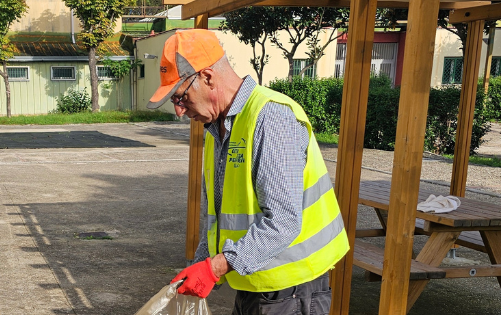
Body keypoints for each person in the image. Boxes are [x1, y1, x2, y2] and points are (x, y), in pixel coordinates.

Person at [147, 29, 349, 315]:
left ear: (207, 77)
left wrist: (215, 268)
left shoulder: (271, 118)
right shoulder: (216, 130)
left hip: (292, 289)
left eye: (181, 97)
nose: (179, 111)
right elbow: (220, 218)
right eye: (174, 101)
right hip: (254, 281)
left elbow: (283, 222)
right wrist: (201, 265)